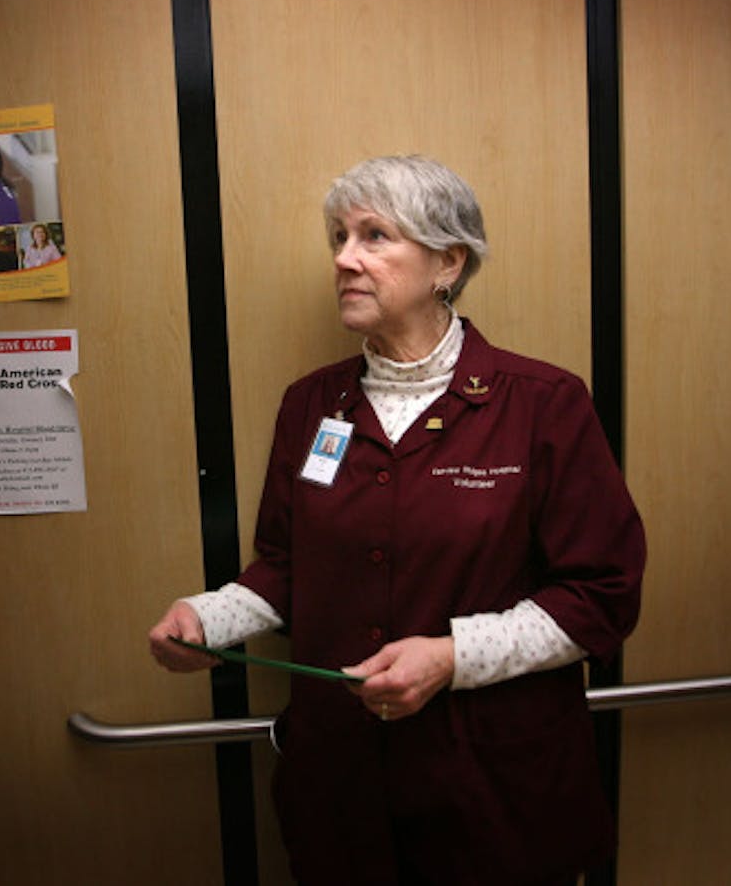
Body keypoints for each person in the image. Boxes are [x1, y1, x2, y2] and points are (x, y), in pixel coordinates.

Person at [148, 155, 645, 885]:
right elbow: (287, 565)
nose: (345, 259)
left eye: (375, 236)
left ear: (448, 260)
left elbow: (601, 595)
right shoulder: (311, 405)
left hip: (493, 795)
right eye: (340, 238)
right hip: (344, 796)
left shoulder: (543, 402)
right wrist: (206, 618)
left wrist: (451, 656)